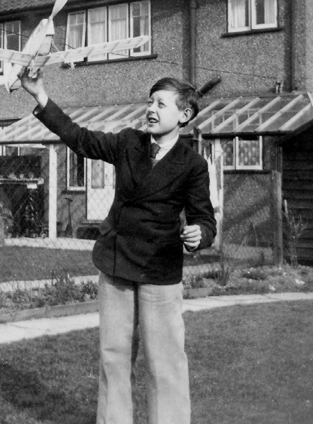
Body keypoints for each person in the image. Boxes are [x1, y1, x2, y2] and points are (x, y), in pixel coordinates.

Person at [20, 70, 216, 424]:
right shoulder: (129, 143)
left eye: (160, 103)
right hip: (117, 265)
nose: (151, 109)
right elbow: (81, 139)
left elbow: (205, 219)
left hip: (159, 271)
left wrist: (199, 234)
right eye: (149, 102)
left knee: (165, 361)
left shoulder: (193, 165)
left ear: (184, 115)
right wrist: (41, 96)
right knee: (114, 357)